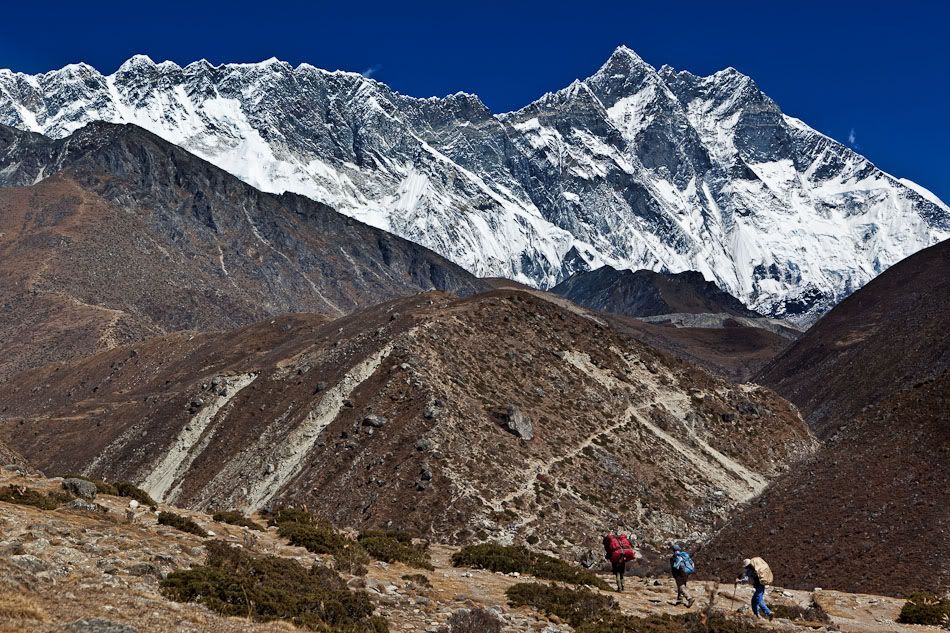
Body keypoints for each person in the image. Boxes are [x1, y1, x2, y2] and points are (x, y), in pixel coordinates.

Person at [603, 526, 636, 592]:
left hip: (616, 558)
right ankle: (623, 586)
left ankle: (619, 588)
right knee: (621, 573)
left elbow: (609, 551)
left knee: (617, 573)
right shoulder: (621, 542)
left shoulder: (612, 542)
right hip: (623, 557)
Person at [669, 543, 694, 607]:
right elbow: (691, 563)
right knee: (682, 585)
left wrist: (675, 575)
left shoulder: (673, 557)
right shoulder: (684, 555)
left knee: (681, 587)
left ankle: (689, 598)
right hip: (686, 572)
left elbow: (673, 568)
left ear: (673, 550)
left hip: (678, 573)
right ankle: (680, 600)